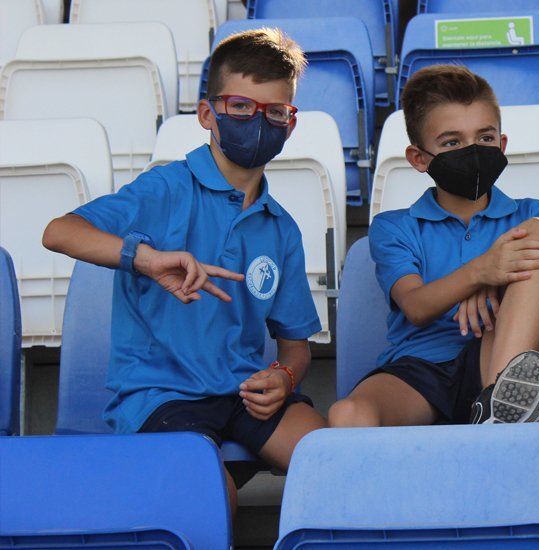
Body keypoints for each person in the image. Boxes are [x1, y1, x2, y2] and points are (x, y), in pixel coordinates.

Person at [42, 28, 326, 513]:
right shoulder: (165, 189)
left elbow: (295, 349)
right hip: (159, 394)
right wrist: (148, 260)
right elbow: (58, 232)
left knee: (334, 466)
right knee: (213, 502)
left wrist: (282, 376)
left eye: (275, 111)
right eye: (241, 106)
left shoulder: (282, 229)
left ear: (290, 123)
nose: (258, 121)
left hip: (241, 388)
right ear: (207, 114)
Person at [328, 65, 539, 427]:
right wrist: (483, 269)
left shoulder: (531, 214)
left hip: (501, 358)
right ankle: (493, 419)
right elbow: (417, 306)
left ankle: (498, 410)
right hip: (419, 370)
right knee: (347, 414)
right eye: (452, 143)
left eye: (484, 138)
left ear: (501, 145)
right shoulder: (394, 227)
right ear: (419, 158)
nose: (472, 150)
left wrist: (502, 280)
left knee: (538, 231)